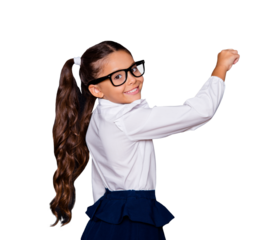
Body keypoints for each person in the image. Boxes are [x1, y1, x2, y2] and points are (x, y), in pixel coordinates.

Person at [47, 38, 241, 239]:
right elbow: (200, 112)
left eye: (134, 69)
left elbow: (184, 123)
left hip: (106, 222)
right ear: (96, 89)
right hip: (131, 223)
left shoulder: (99, 115)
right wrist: (221, 67)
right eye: (118, 76)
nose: (132, 79)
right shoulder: (127, 120)